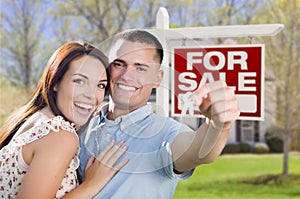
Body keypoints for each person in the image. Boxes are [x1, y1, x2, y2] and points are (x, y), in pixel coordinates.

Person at [78, 30, 240, 198]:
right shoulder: (83, 123)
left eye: (140, 68)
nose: (126, 75)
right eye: (119, 64)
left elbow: (199, 152)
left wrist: (218, 125)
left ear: (157, 78)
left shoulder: (166, 132)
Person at [0, 41, 128, 198]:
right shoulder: (59, 135)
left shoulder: (33, 119)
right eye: (79, 81)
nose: (91, 95)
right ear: (56, 82)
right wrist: (91, 185)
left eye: (100, 86)